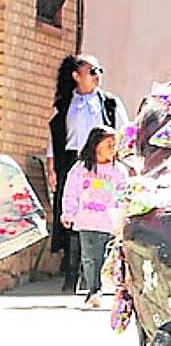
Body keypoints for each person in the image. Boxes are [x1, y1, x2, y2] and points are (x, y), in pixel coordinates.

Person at [47, 54, 129, 292]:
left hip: (103, 163)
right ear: (76, 76)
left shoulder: (109, 103)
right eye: (92, 71)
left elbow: (123, 133)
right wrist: (52, 166)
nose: (97, 76)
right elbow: (56, 137)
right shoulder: (66, 105)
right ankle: (71, 274)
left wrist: (123, 160)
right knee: (73, 213)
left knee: (100, 216)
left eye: (99, 71)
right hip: (74, 162)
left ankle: (95, 278)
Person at [59, 126, 128, 308]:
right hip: (86, 221)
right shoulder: (80, 169)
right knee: (89, 257)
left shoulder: (118, 171)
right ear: (96, 145)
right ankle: (93, 290)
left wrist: (122, 216)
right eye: (108, 144)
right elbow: (70, 192)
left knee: (105, 257)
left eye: (115, 145)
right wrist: (68, 213)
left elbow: (123, 194)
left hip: (108, 223)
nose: (113, 148)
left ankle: (103, 288)